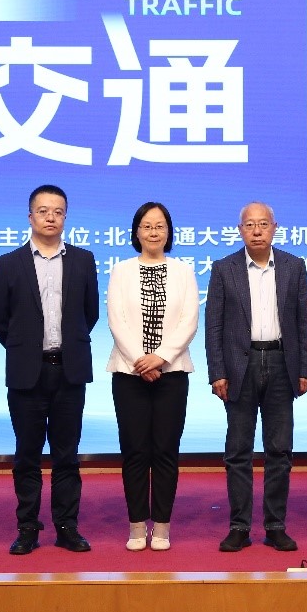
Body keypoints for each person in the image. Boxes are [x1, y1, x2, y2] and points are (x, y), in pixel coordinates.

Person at [0, 185, 100, 555]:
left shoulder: (83, 260)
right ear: (30, 216)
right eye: (43, 210)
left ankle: (67, 527)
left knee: (67, 455)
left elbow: (89, 314)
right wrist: (24, 349)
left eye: (58, 211)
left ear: (65, 217)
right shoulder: (8, 263)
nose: (50, 217)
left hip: (69, 371)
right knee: (27, 455)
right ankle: (27, 528)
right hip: (27, 373)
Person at [205, 202, 307, 553]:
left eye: (263, 224)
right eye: (249, 225)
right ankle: (239, 526)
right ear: (240, 230)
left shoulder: (293, 266)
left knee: (279, 450)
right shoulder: (224, 268)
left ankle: (275, 525)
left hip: (282, 363)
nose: (256, 231)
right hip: (241, 365)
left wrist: (306, 368)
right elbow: (214, 325)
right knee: (238, 451)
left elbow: (304, 320)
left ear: (274, 227)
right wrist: (217, 372)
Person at [106, 201, 199, 551]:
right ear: (136, 232)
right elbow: (116, 320)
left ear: (169, 232)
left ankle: (161, 526)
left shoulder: (184, 272)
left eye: (160, 226)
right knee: (134, 451)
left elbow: (189, 320)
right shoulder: (121, 271)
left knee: (165, 450)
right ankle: (135, 526)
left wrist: (160, 357)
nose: (153, 232)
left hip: (171, 374)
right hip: (128, 374)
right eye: (146, 226)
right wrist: (140, 360)